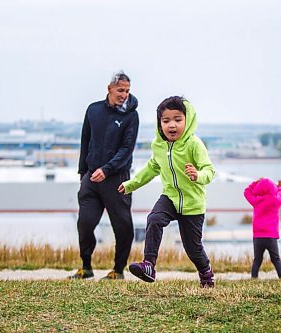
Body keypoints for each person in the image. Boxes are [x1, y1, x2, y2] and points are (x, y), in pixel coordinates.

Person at [119, 96, 216, 288]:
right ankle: (149, 265)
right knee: (154, 219)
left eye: (178, 120)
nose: (172, 125)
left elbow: (210, 170)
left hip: (192, 203)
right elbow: (152, 167)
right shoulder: (159, 146)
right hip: (170, 197)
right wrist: (131, 184)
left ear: (187, 121)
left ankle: (206, 273)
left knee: (193, 248)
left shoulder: (194, 144)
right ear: (160, 123)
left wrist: (197, 175)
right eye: (166, 121)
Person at [69, 71, 139, 280]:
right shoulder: (93, 110)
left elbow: (127, 149)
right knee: (85, 223)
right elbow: (85, 141)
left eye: (127, 91)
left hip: (116, 179)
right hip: (91, 179)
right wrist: (83, 173)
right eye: (120, 90)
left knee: (123, 226)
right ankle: (86, 268)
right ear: (109, 89)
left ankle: (118, 270)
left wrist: (107, 169)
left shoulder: (131, 116)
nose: (124, 94)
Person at [243, 178, 281, 278]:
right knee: (276, 259)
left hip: (258, 237)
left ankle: (254, 278)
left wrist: (254, 183)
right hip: (271, 237)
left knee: (257, 260)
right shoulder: (275, 201)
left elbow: (246, 192)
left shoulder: (256, 201)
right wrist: (280, 187)